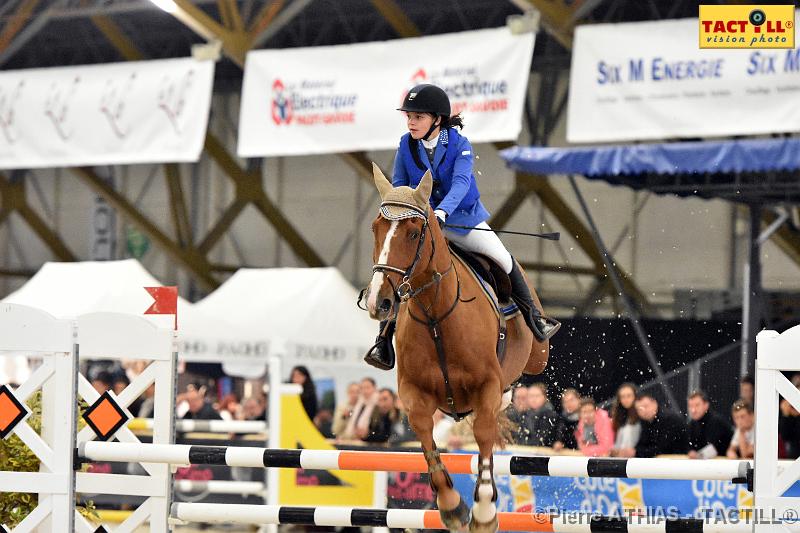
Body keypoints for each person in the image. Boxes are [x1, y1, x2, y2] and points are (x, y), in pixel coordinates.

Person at [364, 83, 560, 371]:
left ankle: (534, 318)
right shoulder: (406, 145)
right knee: (399, 268)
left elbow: (461, 183)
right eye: (409, 117)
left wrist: (442, 211)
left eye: (418, 117)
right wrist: (401, 214)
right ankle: (384, 339)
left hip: (463, 220)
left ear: (437, 119)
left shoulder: (458, 144)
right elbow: (399, 184)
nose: (411, 122)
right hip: (422, 225)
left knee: (504, 260)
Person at [616, 392, 688, 458]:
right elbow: (644, 443)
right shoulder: (647, 421)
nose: (643, 411)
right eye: (639, 409)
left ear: (654, 403)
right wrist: (632, 451)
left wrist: (636, 452)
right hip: (665, 460)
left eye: (646, 406)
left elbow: (663, 448)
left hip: (678, 461)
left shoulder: (669, 419)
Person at [687, 389, 733, 459]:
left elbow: (713, 449)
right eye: (690, 406)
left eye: (697, 405)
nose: (693, 410)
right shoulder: (692, 424)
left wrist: (696, 456)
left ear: (706, 405)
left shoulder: (716, 422)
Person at [609, 383, 641, 456]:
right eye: (622, 397)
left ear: (635, 396)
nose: (626, 399)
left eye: (629, 396)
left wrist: (636, 452)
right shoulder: (619, 417)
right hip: (622, 459)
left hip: (638, 459)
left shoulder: (642, 414)